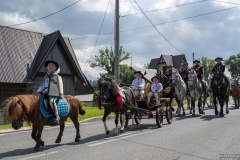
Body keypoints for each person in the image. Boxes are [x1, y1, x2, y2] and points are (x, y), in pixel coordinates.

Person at [37, 60, 64, 125]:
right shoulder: (46, 77)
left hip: (54, 93)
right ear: (47, 67)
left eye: (52, 65)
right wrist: (38, 91)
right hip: (45, 93)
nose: (50, 66)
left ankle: (56, 116)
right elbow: (43, 85)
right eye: (49, 65)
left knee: (51, 101)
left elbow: (54, 86)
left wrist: (46, 90)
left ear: (55, 68)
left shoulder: (56, 76)